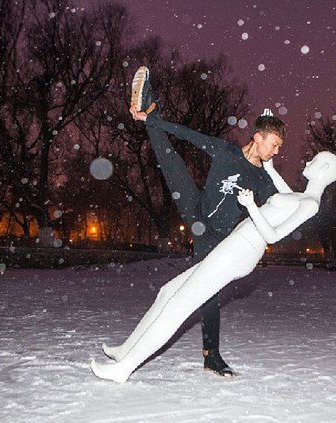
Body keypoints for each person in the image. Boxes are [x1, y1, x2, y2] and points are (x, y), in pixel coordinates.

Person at [91, 150, 336, 383]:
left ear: (323, 170)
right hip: (236, 245)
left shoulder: (310, 204)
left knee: (180, 304)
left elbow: (273, 236)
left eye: (314, 160)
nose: (308, 162)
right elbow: (282, 191)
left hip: (241, 251)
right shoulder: (300, 196)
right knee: (168, 292)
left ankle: (123, 370)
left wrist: (252, 207)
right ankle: (126, 350)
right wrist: (269, 165)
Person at [108, 66, 290, 377]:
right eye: (273, 144)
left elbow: (288, 202)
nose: (275, 151)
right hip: (196, 210)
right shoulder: (226, 151)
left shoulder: (261, 179)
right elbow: (189, 135)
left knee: (207, 293)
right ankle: (149, 107)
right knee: (170, 158)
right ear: (257, 137)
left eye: (278, 148)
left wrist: (272, 171)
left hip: (217, 236)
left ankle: (212, 355)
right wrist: (151, 121)